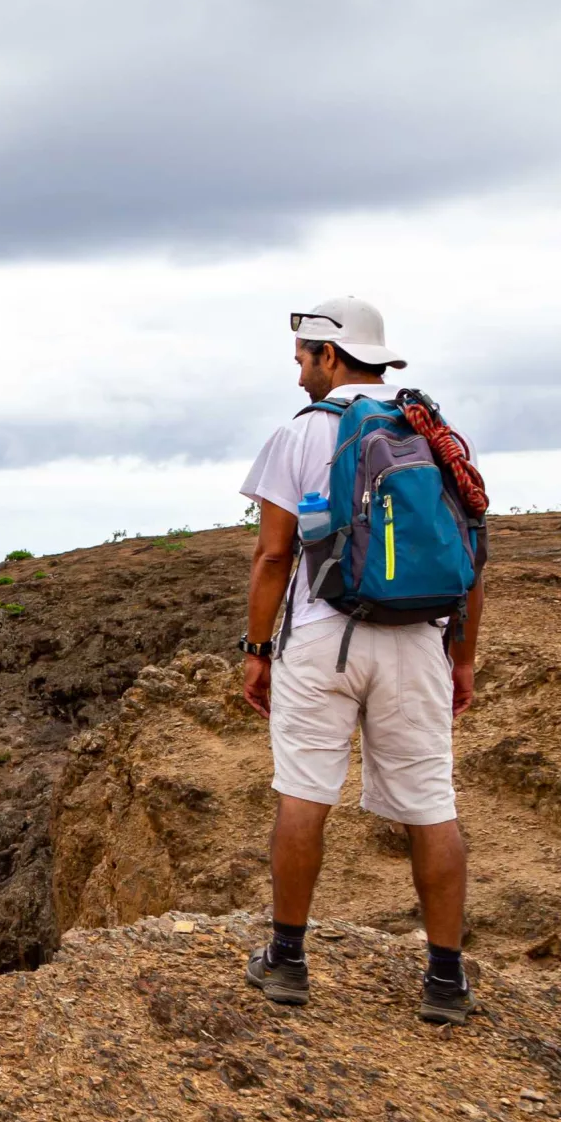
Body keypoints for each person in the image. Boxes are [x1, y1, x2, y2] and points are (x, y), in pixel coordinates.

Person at [234, 298, 483, 1025]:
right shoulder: (431, 431)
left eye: (306, 355)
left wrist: (256, 653)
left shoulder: (299, 435)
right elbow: (472, 555)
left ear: (332, 357)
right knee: (432, 806)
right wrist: (461, 658)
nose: (299, 367)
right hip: (419, 641)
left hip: (323, 636)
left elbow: (274, 553)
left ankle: (287, 960)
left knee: (304, 794)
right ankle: (444, 979)